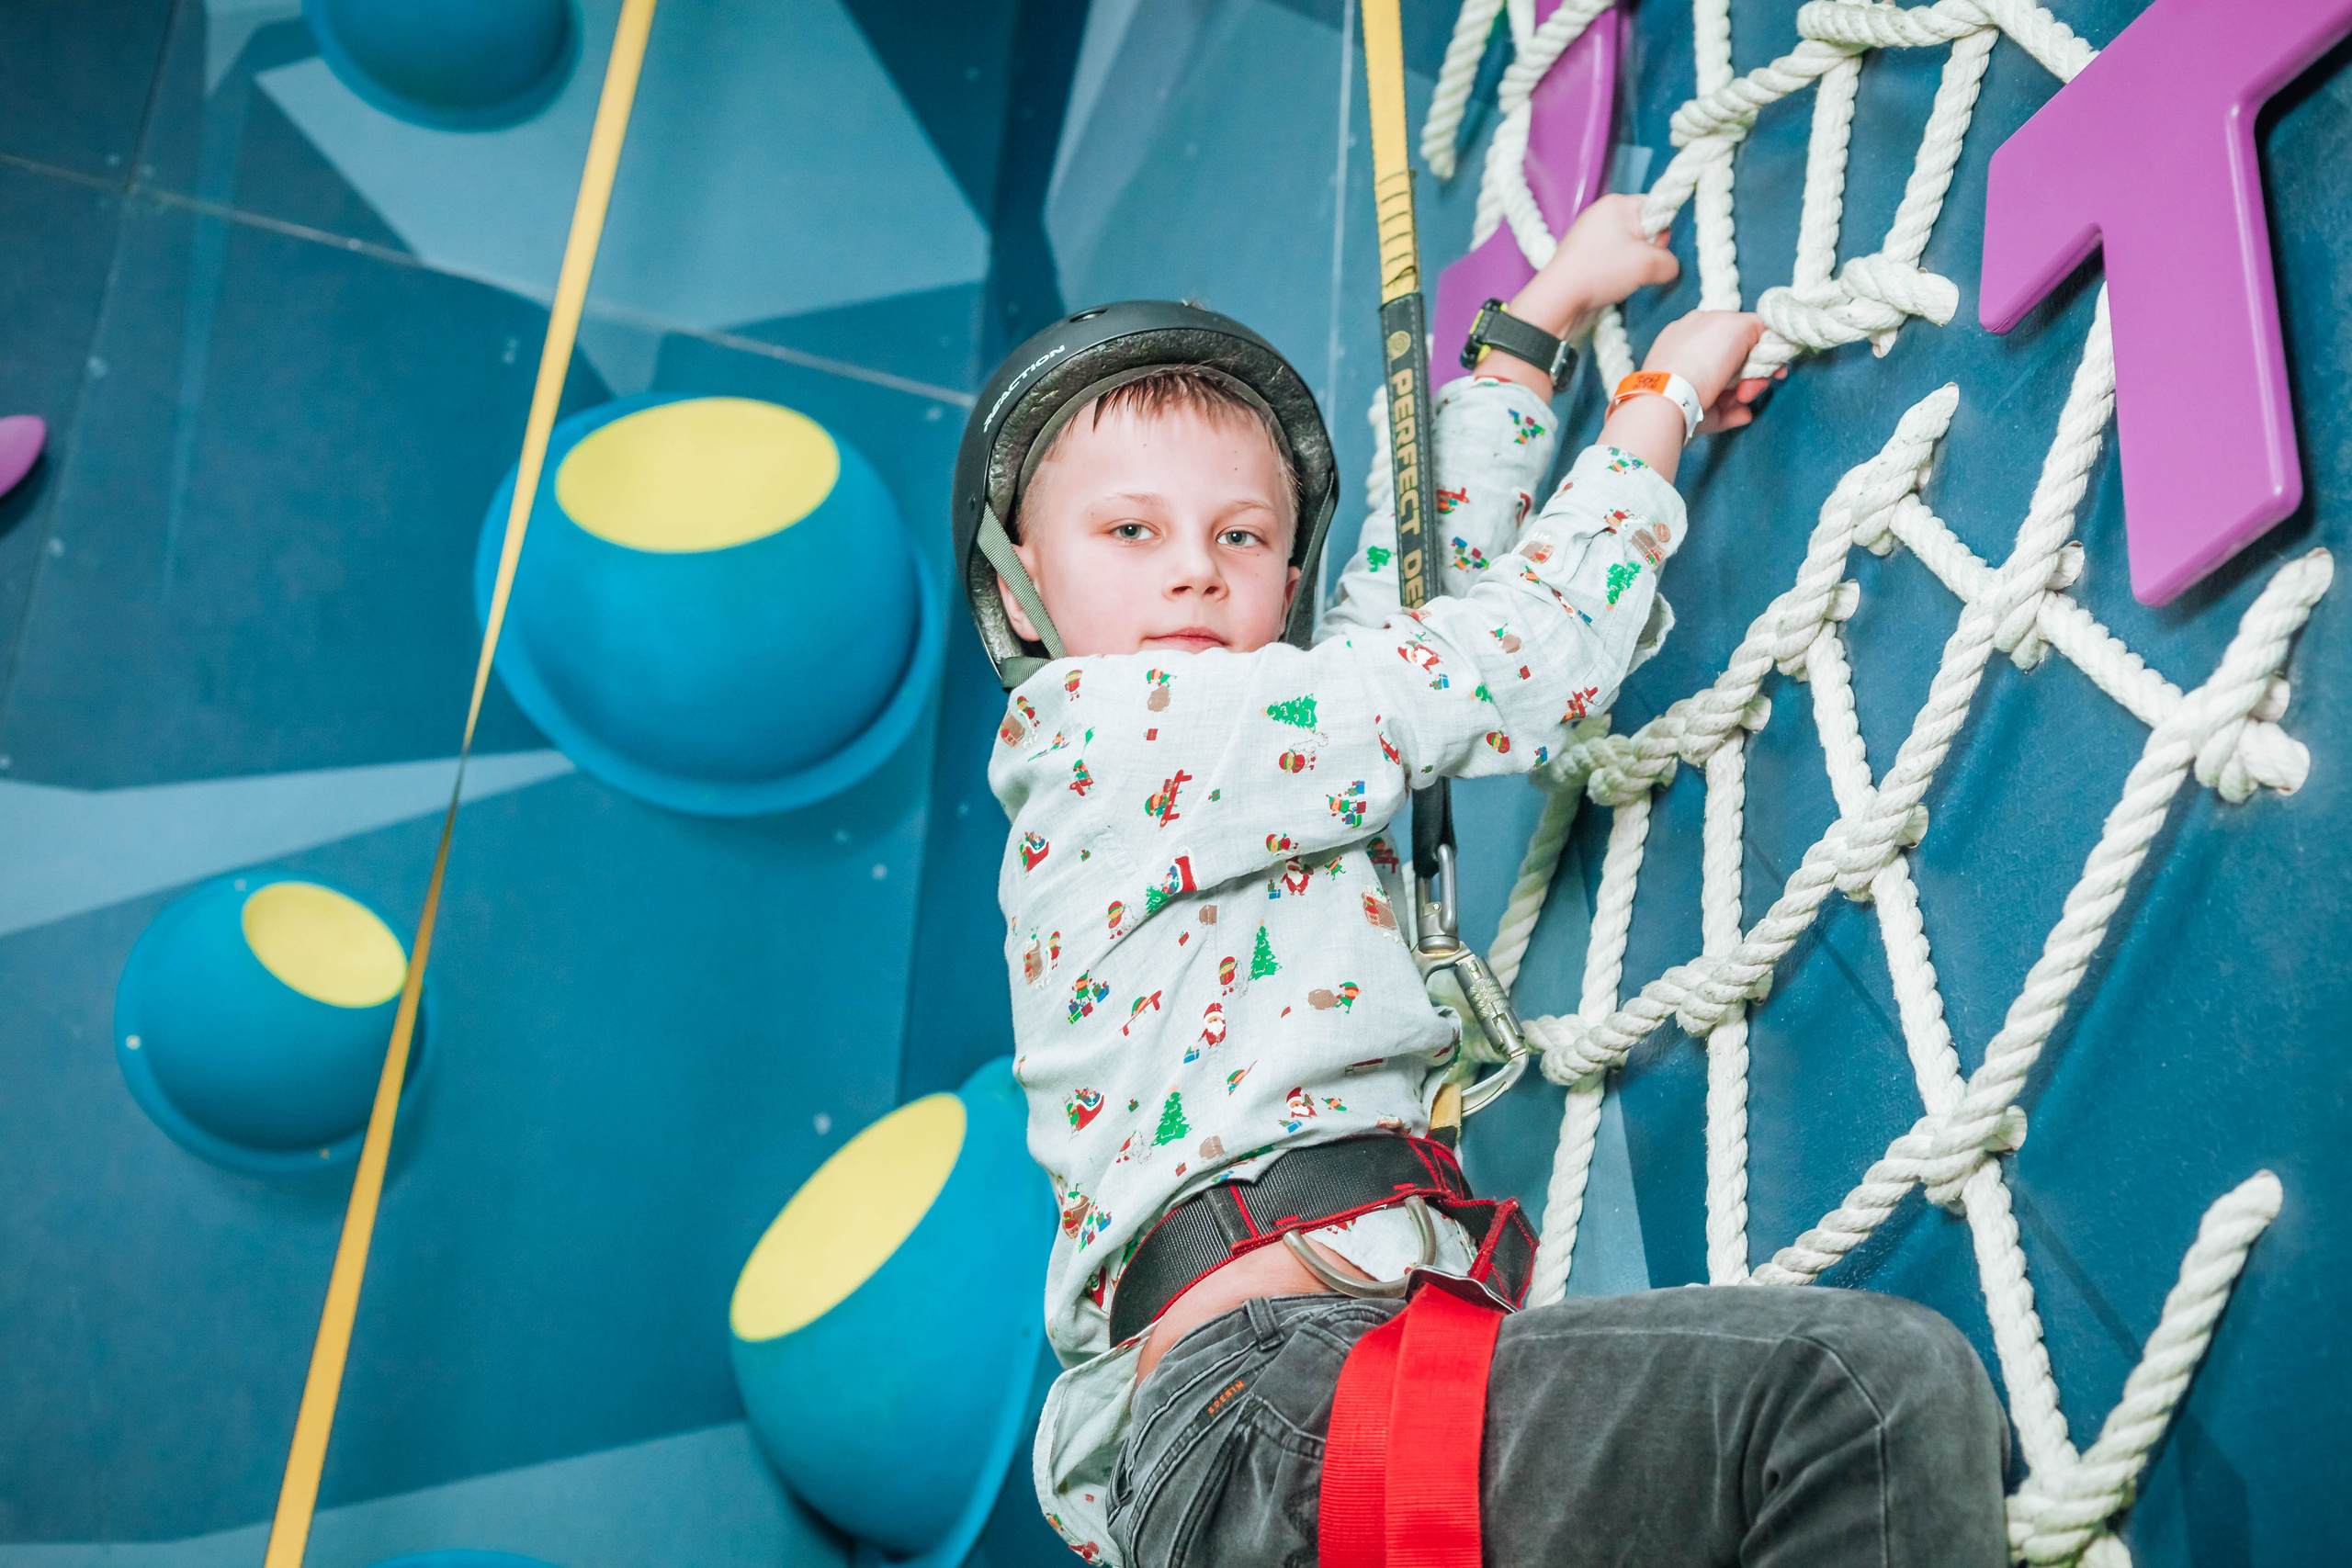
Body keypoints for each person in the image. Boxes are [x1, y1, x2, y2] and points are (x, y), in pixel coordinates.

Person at [952, 195, 2009, 1567]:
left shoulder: (1249, 750)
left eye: (1243, 537)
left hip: (1297, 1405)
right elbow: (1512, 660)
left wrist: (1533, 330)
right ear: (1021, 586)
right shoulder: (1112, 728)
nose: (1197, 573)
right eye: (1131, 533)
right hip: (1273, 1400)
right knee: (1852, 1400)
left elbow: (1405, 601)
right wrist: (1656, 411)